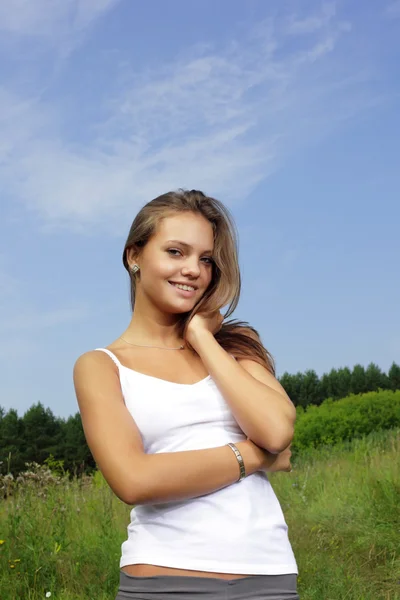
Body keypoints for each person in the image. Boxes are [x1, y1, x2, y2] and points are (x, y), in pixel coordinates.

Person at [73, 189, 299, 600]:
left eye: (206, 259)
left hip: (269, 575)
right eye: (176, 252)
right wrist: (254, 456)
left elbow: (276, 430)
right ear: (134, 256)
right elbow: (134, 480)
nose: (193, 269)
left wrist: (201, 337)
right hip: (165, 579)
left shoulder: (235, 344)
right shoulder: (101, 365)